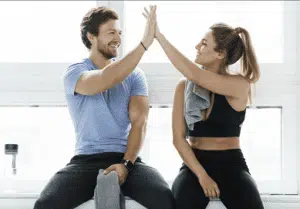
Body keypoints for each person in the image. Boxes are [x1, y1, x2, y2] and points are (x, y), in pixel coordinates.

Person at [33, 5, 174, 209]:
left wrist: (126, 164)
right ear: (92, 36)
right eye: (111, 32)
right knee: (46, 204)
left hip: (126, 158)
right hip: (85, 161)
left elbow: (139, 123)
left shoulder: (135, 76)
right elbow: (104, 79)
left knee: (163, 198)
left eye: (119, 32)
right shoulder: (75, 73)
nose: (117, 38)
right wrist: (144, 44)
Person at [143, 6, 264, 209]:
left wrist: (159, 37)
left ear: (220, 54)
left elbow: (195, 74)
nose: (197, 46)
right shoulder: (183, 86)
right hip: (194, 163)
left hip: (231, 165)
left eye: (204, 43)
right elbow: (178, 138)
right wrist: (202, 176)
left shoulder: (238, 85)